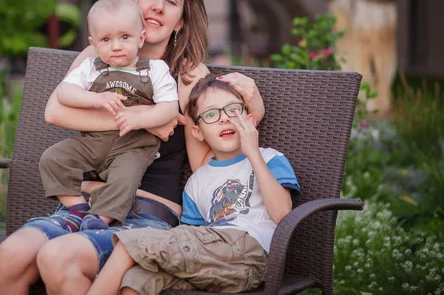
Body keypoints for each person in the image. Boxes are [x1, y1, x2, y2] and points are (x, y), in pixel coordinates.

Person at [0, 0, 266, 295]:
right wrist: (149, 118)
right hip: (82, 208)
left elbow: (205, 165)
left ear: (180, 22)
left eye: (171, 2)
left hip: (147, 212)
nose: (158, 6)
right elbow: (55, 111)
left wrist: (254, 109)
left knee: (59, 258)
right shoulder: (95, 55)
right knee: (11, 254)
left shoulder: (189, 76)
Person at [88, 75, 300, 295]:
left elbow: (283, 215)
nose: (224, 119)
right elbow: (189, 235)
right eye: (211, 114)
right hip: (218, 265)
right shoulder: (196, 182)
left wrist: (253, 154)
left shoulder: (269, 159)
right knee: (136, 279)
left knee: (128, 246)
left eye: (233, 110)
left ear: (250, 119)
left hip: (251, 250)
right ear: (197, 132)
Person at [39, 0, 179, 231]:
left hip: (133, 146)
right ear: (93, 44)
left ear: (140, 38)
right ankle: (76, 207)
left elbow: (169, 107)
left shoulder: (154, 70)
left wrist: (140, 118)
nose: (116, 46)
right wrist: (94, 98)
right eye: (106, 39)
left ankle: (101, 218)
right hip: (93, 142)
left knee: (126, 178)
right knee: (52, 158)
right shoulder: (90, 68)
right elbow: (65, 92)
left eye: (125, 37)